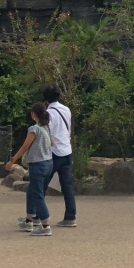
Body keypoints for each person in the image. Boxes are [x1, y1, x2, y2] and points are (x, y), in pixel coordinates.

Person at [6, 103, 53, 236]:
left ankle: (45, 226)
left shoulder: (34, 129)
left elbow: (24, 147)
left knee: (37, 194)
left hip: (37, 165)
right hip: (48, 163)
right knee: (32, 191)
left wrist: (12, 161)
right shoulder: (48, 127)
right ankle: (29, 220)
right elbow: (53, 143)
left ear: (33, 114)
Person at [42, 84, 77, 228]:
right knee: (67, 186)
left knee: (41, 184)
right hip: (67, 150)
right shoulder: (66, 109)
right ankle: (70, 216)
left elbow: (46, 134)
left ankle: (36, 216)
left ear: (45, 98)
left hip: (53, 152)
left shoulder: (48, 114)